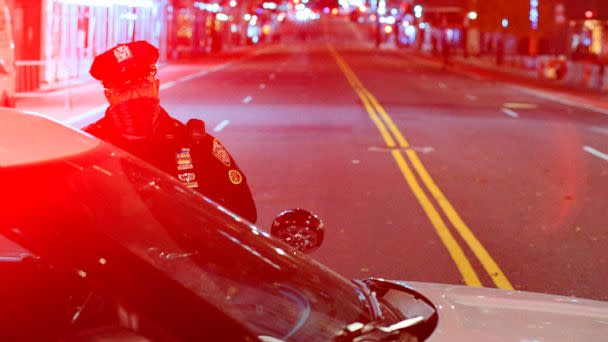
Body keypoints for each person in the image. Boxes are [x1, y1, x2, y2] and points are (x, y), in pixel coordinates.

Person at [84, 41, 257, 223]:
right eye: (124, 91)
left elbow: (243, 214)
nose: (135, 97)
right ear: (109, 97)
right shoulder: (89, 147)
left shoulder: (195, 143)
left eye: (143, 86)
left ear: (156, 87)